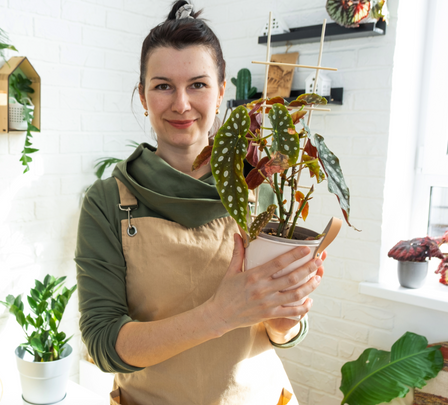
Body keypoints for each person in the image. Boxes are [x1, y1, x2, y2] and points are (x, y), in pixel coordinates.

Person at [75, 1, 325, 404]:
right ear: (142, 95)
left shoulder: (260, 183)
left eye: (198, 84)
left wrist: (286, 321)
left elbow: (281, 331)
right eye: (162, 86)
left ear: (222, 90)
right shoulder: (108, 200)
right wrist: (219, 314)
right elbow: (104, 344)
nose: (181, 104)